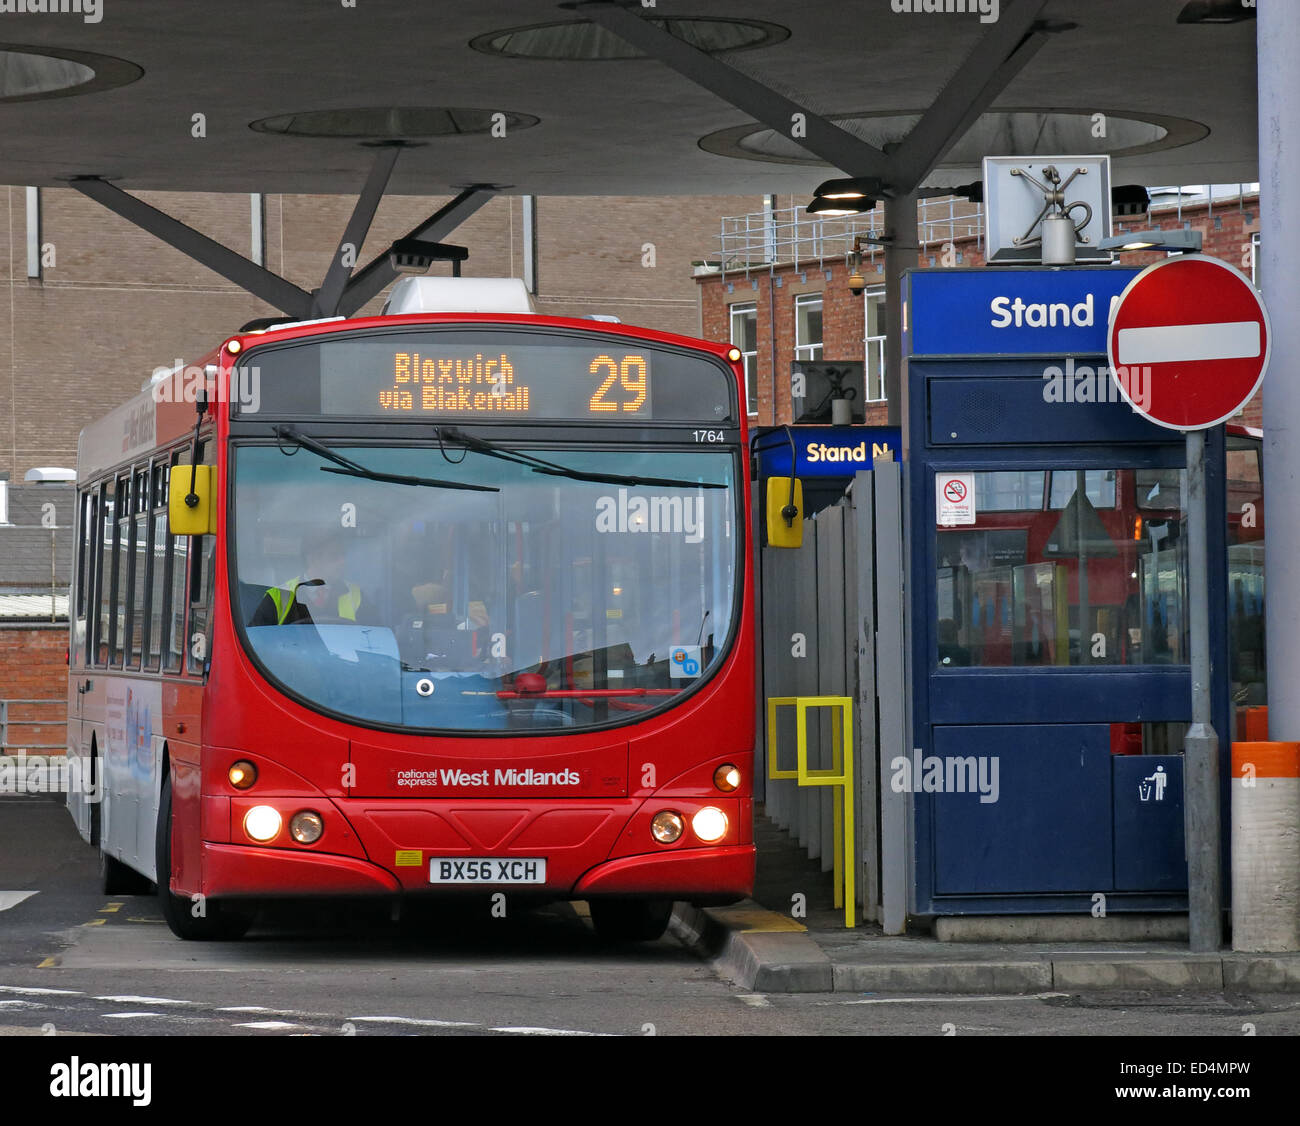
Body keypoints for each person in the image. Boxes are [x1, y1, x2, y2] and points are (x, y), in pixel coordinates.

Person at [249, 532, 377, 626]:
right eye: (334, 556)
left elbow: (376, 637)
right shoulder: (279, 596)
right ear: (313, 559)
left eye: (343, 555)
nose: (342, 562)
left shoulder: (355, 595)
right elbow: (258, 643)